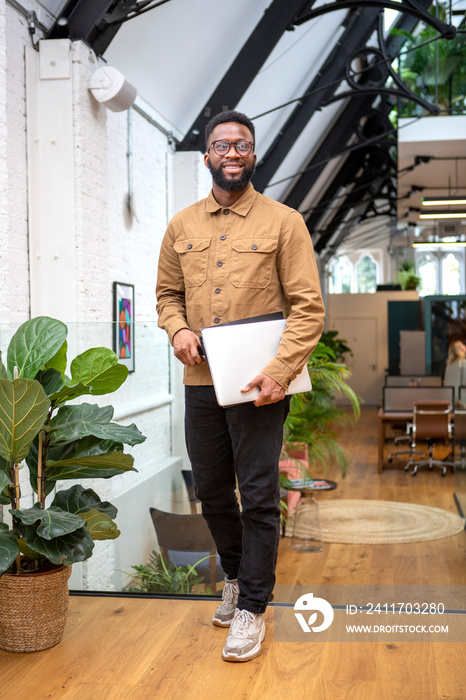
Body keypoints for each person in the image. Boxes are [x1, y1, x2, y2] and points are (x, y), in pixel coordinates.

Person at [156, 110, 325, 662]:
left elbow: (308, 309)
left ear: (254, 156)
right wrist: (177, 328)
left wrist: (278, 373)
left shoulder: (284, 222)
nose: (232, 153)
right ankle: (233, 576)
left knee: (256, 496)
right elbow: (165, 295)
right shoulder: (181, 226)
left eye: (243, 145)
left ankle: (253, 606)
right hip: (201, 380)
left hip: (260, 386)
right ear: (206, 155)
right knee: (210, 491)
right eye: (222, 145)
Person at [444, 340, 466, 404]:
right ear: (459, 350)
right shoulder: (463, 363)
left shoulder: (449, 366)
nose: (465, 347)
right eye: (463, 346)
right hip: (462, 401)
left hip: (450, 399)